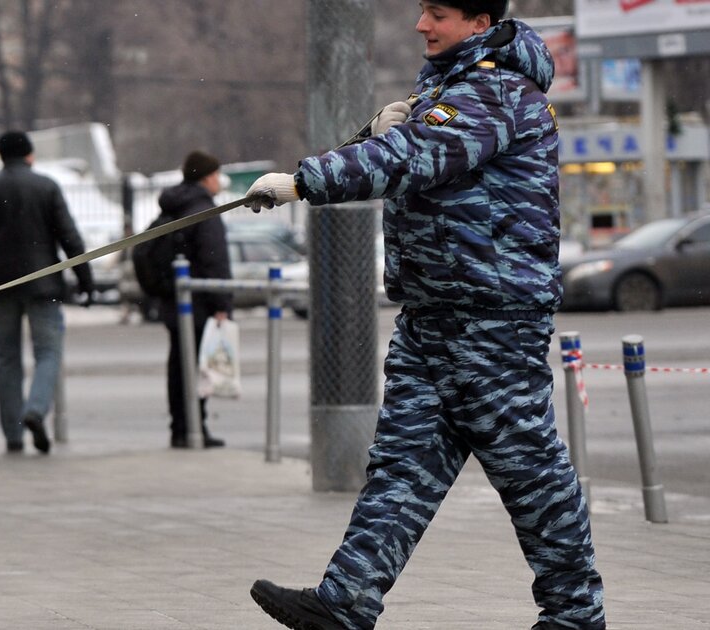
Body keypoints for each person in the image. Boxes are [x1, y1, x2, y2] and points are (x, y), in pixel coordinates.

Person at [244, 3, 606, 629]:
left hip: (492, 319)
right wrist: (377, 133)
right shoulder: (450, 88)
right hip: (434, 315)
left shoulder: (494, 91)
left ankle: (575, 614)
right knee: (402, 465)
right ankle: (346, 603)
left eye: (436, 12)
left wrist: (303, 181)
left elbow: (409, 160)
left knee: (532, 475)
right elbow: (404, 153)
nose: (420, 24)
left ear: (479, 20)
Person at [0, 130, 94, 455]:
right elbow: (70, 238)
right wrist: (86, 280)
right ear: (30, 155)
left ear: (2, 156)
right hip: (44, 285)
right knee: (48, 353)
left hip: (2, 288)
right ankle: (34, 410)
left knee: (7, 360)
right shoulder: (46, 187)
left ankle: (13, 435)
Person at [157, 150, 232, 449]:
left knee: (178, 364)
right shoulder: (203, 210)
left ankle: (180, 427)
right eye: (216, 175)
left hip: (174, 298)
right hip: (200, 301)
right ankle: (195, 427)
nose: (219, 181)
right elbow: (215, 261)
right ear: (207, 177)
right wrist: (222, 303)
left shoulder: (172, 206)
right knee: (199, 367)